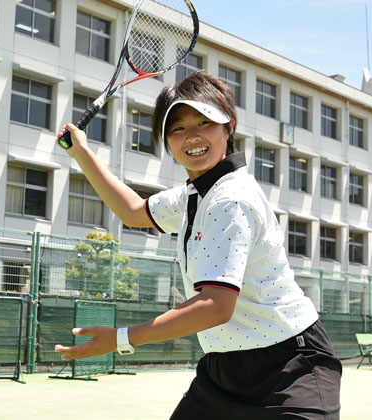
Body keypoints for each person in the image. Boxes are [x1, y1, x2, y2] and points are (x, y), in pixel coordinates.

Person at [55, 71, 341, 419]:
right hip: (222, 370)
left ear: (228, 127)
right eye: (177, 128)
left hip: (290, 369)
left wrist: (120, 339)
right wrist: (82, 153)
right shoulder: (195, 195)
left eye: (205, 122)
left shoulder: (230, 199)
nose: (192, 136)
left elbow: (215, 306)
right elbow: (132, 211)